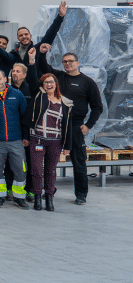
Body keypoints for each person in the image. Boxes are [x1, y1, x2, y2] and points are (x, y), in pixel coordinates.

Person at [37, 44, 103, 205]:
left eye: (71, 61)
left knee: (78, 162)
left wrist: (88, 125)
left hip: (75, 127)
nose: (67, 64)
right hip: (55, 124)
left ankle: (81, 194)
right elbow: (44, 67)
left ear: (77, 63)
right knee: (49, 160)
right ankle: (49, 190)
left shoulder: (88, 82)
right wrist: (42, 54)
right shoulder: (59, 77)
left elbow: (97, 107)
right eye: (65, 61)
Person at [20, 73, 71, 212]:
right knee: (37, 170)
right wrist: (32, 63)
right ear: (42, 85)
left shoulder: (65, 102)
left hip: (55, 141)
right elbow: (32, 79)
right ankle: (37, 197)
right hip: (37, 139)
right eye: (46, 82)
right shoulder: (39, 96)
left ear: (56, 84)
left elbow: (67, 125)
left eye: (51, 82)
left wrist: (67, 145)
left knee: (51, 171)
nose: (49, 84)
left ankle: (49, 198)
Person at [0, 69, 30, 209]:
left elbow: (25, 117)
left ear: (5, 79)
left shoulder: (17, 94)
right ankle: (0, 197)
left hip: (16, 140)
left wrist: (25, 136)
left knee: (20, 169)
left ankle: (19, 198)